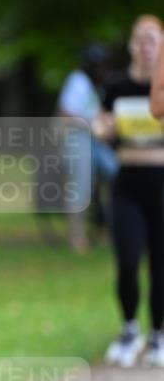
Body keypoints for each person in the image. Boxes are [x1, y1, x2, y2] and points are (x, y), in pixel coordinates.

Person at [94, 15, 164, 368]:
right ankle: (130, 329)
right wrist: (102, 127)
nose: (147, 47)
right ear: (132, 45)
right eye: (141, 40)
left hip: (161, 182)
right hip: (127, 183)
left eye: (154, 40)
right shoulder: (116, 86)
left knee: (160, 263)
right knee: (127, 260)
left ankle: (158, 335)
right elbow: (100, 123)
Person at [56, 44, 118, 251]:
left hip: (93, 140)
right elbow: (66, 113)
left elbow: (97, 111)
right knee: (79, 190)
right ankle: (77, 238)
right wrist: (91, 123)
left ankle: (108, 228)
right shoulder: (77, 81)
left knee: (114, 173)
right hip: (78, 139)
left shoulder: (92, 85)